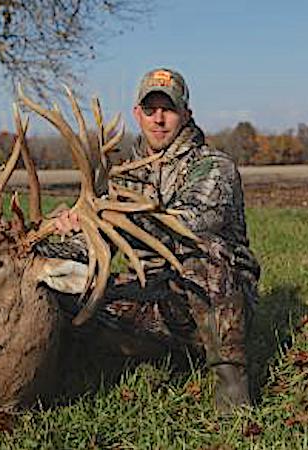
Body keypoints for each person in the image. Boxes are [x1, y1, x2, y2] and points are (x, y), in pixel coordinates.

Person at [55, 68, 260, 412]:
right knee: (68, 291)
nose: (159, 119)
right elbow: (92, 240)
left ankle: (232, 395)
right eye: (150, 110)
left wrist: (110, 218)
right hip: (153, 298)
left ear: (186, 114)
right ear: (137, 114)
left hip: (214, 302)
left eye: (169, 109)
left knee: (203, 253)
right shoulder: (121, 175)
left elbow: (188, 225)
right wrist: (70, 228)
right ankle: (139, 358)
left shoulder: (213, 167)